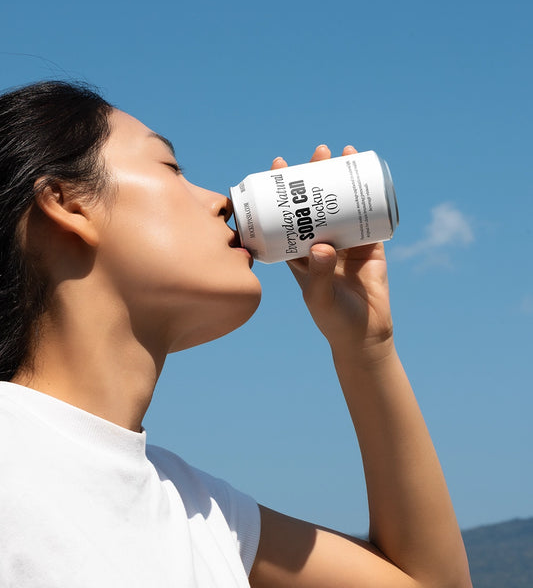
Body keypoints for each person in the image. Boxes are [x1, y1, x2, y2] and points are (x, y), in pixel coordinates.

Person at [0, 79, 472, 588]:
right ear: (69, 204)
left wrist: (366, 350)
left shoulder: (201, 511)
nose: (221, 201)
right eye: (171, 168)